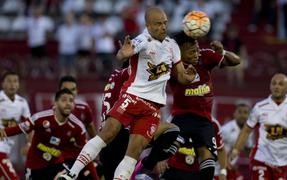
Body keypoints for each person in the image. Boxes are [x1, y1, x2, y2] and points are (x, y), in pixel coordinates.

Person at [57, 6, 196, 180]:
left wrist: (189, 77)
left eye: (165, 23)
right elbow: (124, 53)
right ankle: (71, 174)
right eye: (158, 24)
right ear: (148, 26)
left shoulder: (173, 46)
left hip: (152, 107)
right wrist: (124, 53)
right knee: (105, 135)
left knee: (132, 154)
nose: (163, 27)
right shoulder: (142, 40)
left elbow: (182, 76)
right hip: (132, 97)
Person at [157, 31, 241, 180]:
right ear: (179, 52)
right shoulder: (172, 64)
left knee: (207, 155)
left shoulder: (205, 56)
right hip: (182, 115)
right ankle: (145, 167)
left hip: (203, 118)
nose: (196, 54)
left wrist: (222, 52)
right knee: (168, 149)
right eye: (191, 52)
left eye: (196, 49)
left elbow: (236, 61)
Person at [229, 73, 287, 180]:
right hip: (260, 159)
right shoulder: (260, 107)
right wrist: (235, 150)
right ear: (270, 86)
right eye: (274, 83)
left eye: (281, 84)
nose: (276, 86)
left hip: (281, 163)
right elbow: (246, 130)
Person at [0, 89, 87, 180]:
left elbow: (85, 151)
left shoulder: (78, 127)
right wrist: (4, 132)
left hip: (56, 166)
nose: (68, 103)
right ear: (55, 103)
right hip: (34, 167)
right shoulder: (39, 118)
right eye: (64, 100)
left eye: (71, 100)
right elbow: (20, 128)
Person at [0, 71, 31, 180]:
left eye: (15, 81)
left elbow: (29, 126)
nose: (12, 84)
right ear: (2, 84)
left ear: (18, 84)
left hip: (8, 147)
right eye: (9, 81)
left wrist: (29, 143)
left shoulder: (22, 102)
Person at [220, 103, 253, 180]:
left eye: (245, 113)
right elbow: (214, 148)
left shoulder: (248, 131)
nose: (242, 115)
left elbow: (248, 150)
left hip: (231, 168)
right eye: (240, 112)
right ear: (234, 114)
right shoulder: (226, 130)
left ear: (249, 116)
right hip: (219, 167)